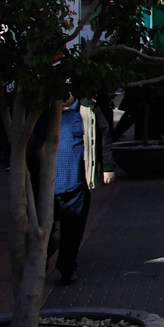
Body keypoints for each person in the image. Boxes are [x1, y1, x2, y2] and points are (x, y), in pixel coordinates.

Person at [44, 98, 114, 284]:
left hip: (76, 182)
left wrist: (107, 167)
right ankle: (41, 261)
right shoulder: (42, 108)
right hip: (45, 184)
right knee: (44, 229)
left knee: (72, 230)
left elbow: (104, 132)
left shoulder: (88, 107)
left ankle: (67, 268)